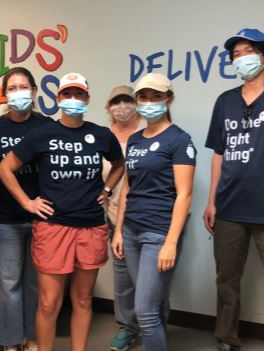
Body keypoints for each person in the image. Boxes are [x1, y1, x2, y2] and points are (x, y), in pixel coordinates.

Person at [0, 72, 125, 351]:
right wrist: (27, 202)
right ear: (58, 98)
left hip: (91, 226)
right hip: (53, 227)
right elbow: (5, 168)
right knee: (48, 302)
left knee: (82, 300)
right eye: (67, 94)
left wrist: (106, 190)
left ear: (87, 99)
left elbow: (119, 164)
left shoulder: (101, 135)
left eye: (79, 94)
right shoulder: (42, 134)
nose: (73, 99)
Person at [203, 28, 264, 351]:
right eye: (236, 54)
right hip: (229, 208)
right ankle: (226, 338)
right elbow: (218, 153)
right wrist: (211, 201)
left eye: (248, 51)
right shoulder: (225, 101)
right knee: (227, 281)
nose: (241, 59)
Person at [111, 73, 196, 351]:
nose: (148, 102)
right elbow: (127, 188)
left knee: (145, 311)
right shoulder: (135, 140)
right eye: (143, 97)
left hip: (157, 234)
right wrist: (120, 231)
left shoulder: (179, 140)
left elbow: (184, 194)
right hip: (131, 231)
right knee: (152, 306)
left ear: (168, 99)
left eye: (156, 97)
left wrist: (171, 242)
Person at [0, 67, 52, 351]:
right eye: (12, 88)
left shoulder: (47, 126)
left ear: (34, 92)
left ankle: (32, 338)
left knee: (35, 285)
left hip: (41, 217)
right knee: (8, 285)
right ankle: (9, 341)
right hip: (5, 219)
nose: (18, 93)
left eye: (23, 87)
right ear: (4, 94)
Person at [102, 85, 146, 351]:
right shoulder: (103, 137)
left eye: (127, 100)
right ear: (108, 107)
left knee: (151, 277)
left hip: (147, 215)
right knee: (122, 277)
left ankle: (154, 326)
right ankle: (127, 327)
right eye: (115, 101)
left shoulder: (149, 131)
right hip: (114, 215)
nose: (122, 106)